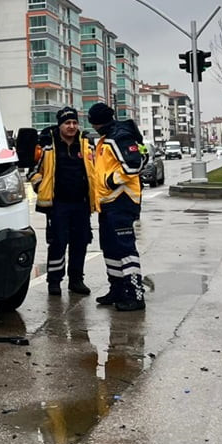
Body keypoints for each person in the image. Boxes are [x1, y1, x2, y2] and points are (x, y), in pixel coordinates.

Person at [87, 102, 146, 311]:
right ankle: (117, 289)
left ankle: (135, 294)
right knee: (110, 248)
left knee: (125, 248)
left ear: (96, 122)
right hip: (108, 203)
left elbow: (134, 164)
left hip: (121, 201)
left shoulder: (118, 137)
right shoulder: (106, 138)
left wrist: (111, 181)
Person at [29, 106, 94, 297]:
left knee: (80, 242)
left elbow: (95, 169)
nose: (71, 126)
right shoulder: (47, 145)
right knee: (58, 242)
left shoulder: (86, 144)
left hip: (81, 203)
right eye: (67, 123)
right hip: (57, 204)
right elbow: (32, 171)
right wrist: (40, 186)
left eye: (74, 122)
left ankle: (76, 279)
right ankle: (54, 281)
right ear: (60, 125)